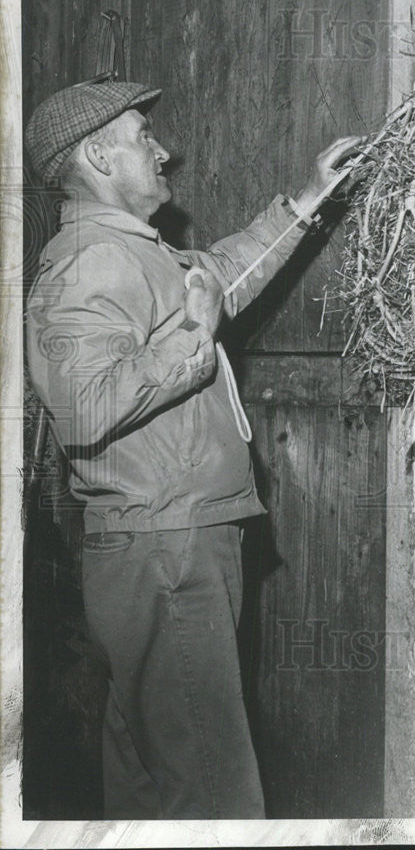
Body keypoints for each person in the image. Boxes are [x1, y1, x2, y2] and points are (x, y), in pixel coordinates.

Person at [23, 79, 361, 819]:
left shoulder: (133, 253)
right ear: (97, 156)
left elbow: (220, 276)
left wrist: (305, 199)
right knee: (211, 790)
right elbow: (83, 408)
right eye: (143, 135)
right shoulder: (86, 262)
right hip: (164, 548)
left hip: (168, 541)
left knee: (150, 781)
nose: (163, 149)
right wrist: (192, 335)